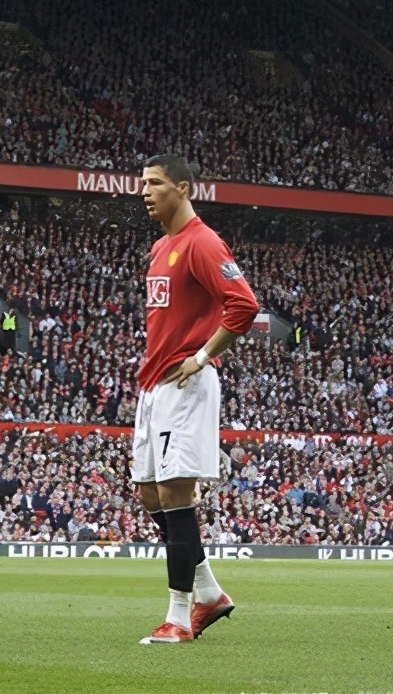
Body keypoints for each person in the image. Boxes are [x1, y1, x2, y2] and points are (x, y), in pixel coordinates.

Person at [132, 154, 260, 645]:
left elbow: (244, 303)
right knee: (149, 494)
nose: (145, 191)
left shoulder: (202, 242)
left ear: (183, 188)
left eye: (155, 183)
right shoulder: (162, 246)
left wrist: (204, 355)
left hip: (185, 384)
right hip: (154, 385)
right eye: (142, 183)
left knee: (175, 496)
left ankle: (179, 618)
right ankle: (209, 593)